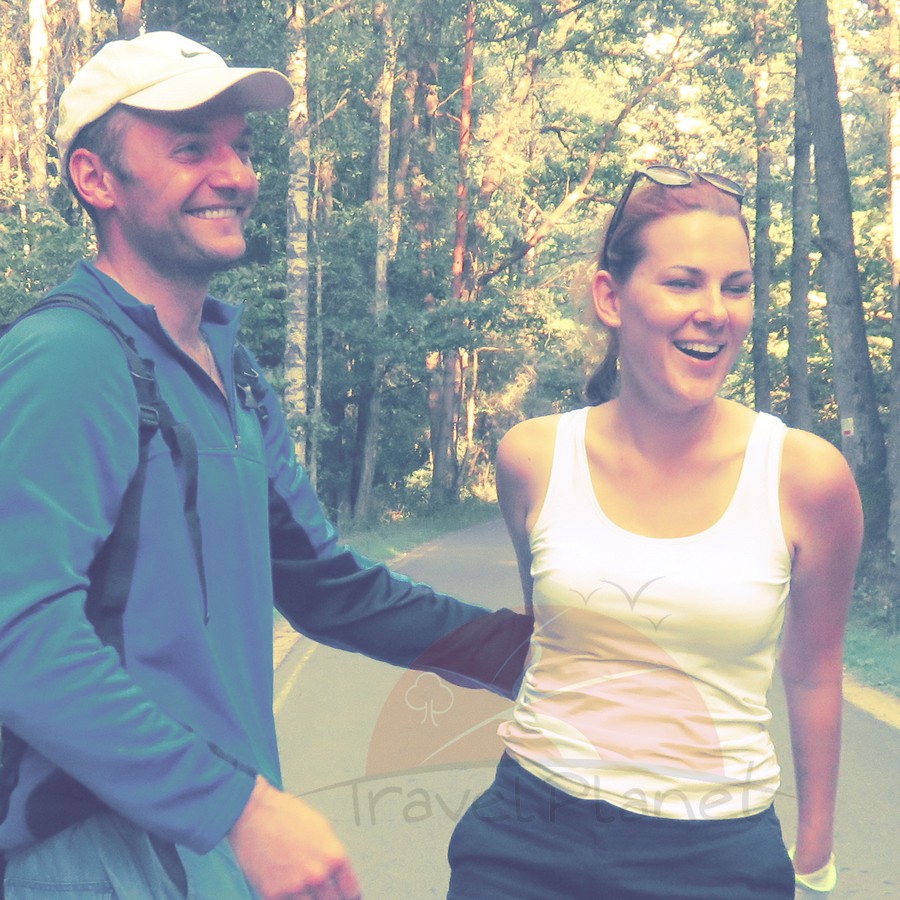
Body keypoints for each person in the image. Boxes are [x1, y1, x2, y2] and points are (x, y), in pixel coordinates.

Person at [0, 31, 530, 900]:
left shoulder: (230, 370)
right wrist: (238, 810)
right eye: (190, 149)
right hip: (94, 847)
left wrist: (526, 654)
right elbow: (18, 633)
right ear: (95, 179)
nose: (236, 175)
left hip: (208, 832)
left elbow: (327, 586)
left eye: (240, 148)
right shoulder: (69, 357)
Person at [446, 165, 862, 899]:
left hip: (717, 856)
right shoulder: (533, 458)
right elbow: (551, 635)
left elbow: (813, 670)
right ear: (611, 298)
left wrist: (815, 855)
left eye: (736, 287)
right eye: (682, 283)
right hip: (525, 840)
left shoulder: (805, 476)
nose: (716, 312)